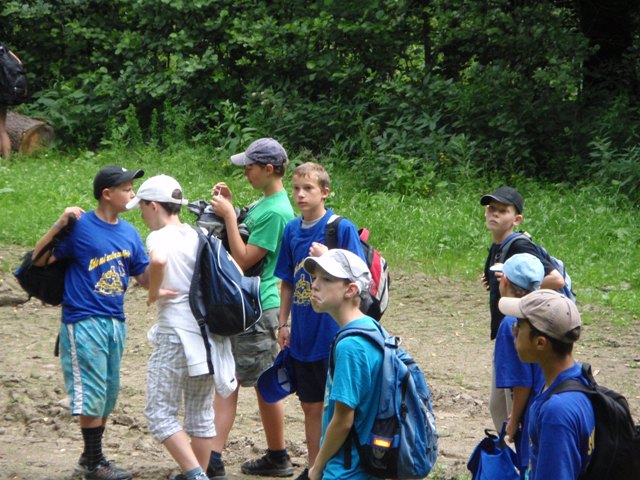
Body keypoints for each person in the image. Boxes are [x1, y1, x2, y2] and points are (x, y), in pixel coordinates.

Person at [31, 165, 149, 480]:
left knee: (108, 393)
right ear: (107, 194)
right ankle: (94, 464)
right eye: (127, 189)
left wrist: (169, 253)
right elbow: (38, 260)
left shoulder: (130, 233)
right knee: (93, 392)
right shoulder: (81, 228)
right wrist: (60, 223)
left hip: (115, 323)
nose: (133, 194)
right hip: (83, 320)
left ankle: (91, 458)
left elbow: (146, 278)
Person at [127, 174, 234, 480]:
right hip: (206, 336)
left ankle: (195, 475)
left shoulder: (159, 236)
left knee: (160, 414)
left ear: (154, 206)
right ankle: (198, 472)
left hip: (175, 334)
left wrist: (153, 292)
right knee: (200, 414)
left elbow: (159, 261)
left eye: (142, 208)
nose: (142, 215)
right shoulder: (197, 234)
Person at [207, 138, 295, 478]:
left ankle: (223, 459)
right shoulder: (265, 203)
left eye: (250, 168)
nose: (245, 173)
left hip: (259, 307)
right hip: (248, 303)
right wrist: (232, 207)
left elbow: (244, 259)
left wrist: (229, 216)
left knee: (255, 383)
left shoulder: (277, 211)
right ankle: (271, 455)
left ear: (269, 169)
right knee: (243, 381)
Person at [274, 162, 366, 480]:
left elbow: (359, 277)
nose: (300, 194)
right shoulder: (290, 230)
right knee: (310, 405)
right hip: (303, 333)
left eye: (308, 188)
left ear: (325, 192)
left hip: (333, 332)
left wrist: (327, 255)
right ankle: (314, 467)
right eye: (296, 188)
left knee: (339, 406)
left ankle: (337, 468)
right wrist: (283, 324)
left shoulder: (340, 228)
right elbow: (287, 281)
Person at [479, 186, 565, 432]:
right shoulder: (498, 245)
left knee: (513, 403)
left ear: (516, 219)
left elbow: (556, 279)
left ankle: (515, 440)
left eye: (503, 211)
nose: (495, 214)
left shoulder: (520, 246)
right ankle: (509, 442)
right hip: (506, 329)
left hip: (519, 329)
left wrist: (517, 282)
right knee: (498, 406)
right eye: (491, 208)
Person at [499, 290, 595, 480]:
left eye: (518, 326)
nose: (513, 332)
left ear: (540, 343)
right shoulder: (579, 378)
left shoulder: (556, 412)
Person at [302, 249, 380, 480]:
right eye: (315, 277)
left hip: (346, 469)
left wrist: (317, 466)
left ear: (351, 290)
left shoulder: (350, 346)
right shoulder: (371, 327)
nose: (315, 285)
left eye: (326, 279)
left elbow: (343, 420)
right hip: (367, 463)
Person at [492, 253, 546, 479]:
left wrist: (513, 421)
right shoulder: (545, 312)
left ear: (504, 281)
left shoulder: (511, 324)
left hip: (532, 416)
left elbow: (522, 382)